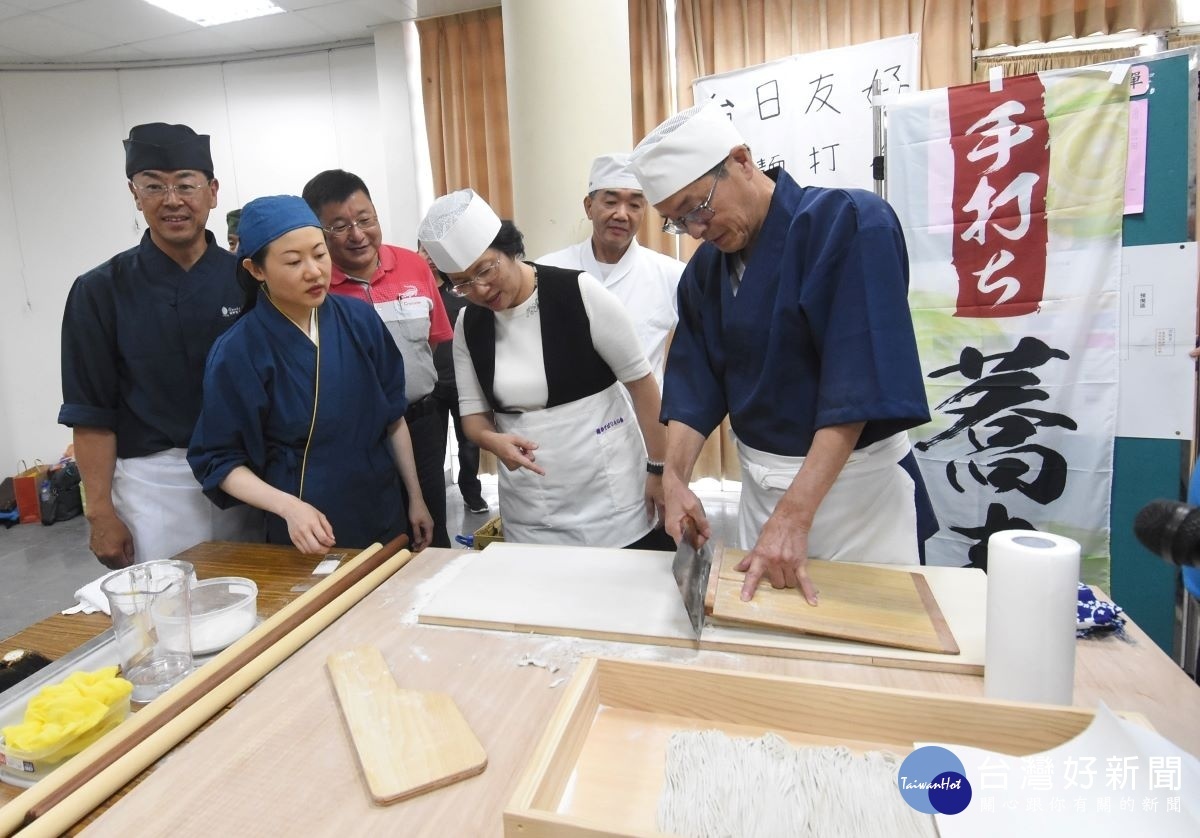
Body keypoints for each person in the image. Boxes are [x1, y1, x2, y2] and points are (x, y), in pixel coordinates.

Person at [629, 101, 938, 602]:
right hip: (761, 491)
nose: (697, 231)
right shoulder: (704, 274)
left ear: (742, 160)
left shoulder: (849, 223)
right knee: (772, 643)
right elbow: (695, 382)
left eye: (697, 207)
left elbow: (855, 386)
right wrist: (676, 478)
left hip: (854, 495)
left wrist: (795, 516)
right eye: (677, 222)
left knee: (859, 647)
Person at [417, 189, 674, 550]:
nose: (480, 288)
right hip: (532, 508)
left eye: (486, 270)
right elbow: (473, 418)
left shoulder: (579, 292)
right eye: (462, 283)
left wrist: (660, 470)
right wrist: (493, 441)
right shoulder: (468, 325)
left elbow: (643, 387)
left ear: (510, 249)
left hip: (611, 496)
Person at [58, 122, 261, 569]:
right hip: (153, 486)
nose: (172, 201)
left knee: (257, 607)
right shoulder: (98, 291)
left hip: (246, 477)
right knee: (169, 618)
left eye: (185, 185)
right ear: (134, 193)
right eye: (154, 187)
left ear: (212, 191)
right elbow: (91, 413)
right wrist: (99, 511)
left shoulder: (248, 281)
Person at [188, 195, 433, 554]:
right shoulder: (239, 350)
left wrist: (415, 497)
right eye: (293, 261)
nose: (314, 271)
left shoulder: (359, 320)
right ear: (256, 270)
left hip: (381, 506)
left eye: (319, 254)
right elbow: (219, 461)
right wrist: (288, 508)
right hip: (307, 526)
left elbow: (393, 418)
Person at [302, 170, 453, 548]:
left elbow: (431, 343)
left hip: (422, 423)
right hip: (359, 437)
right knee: (379, 538)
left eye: (365, 219)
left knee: (432, 528)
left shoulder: (414, 266)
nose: (357, 234)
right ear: (317, 231)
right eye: (339, 226)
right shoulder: (316, 289)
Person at [537, 153, 685, 383]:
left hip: (641, 418)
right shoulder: (547, 271)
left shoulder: (672, 275)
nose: (622, 214)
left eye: (634, 205)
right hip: (572, 417)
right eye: (610, 202)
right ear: (588, 207)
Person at [420, 245, 489, 515]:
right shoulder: (420, 295)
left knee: (469, 446)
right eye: (422, 251)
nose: (429, 258)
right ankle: (433, 501)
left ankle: (471, 493)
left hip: (464, 386)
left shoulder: (459, 290)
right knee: (433, 451)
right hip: (432, 388)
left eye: (433, 253)